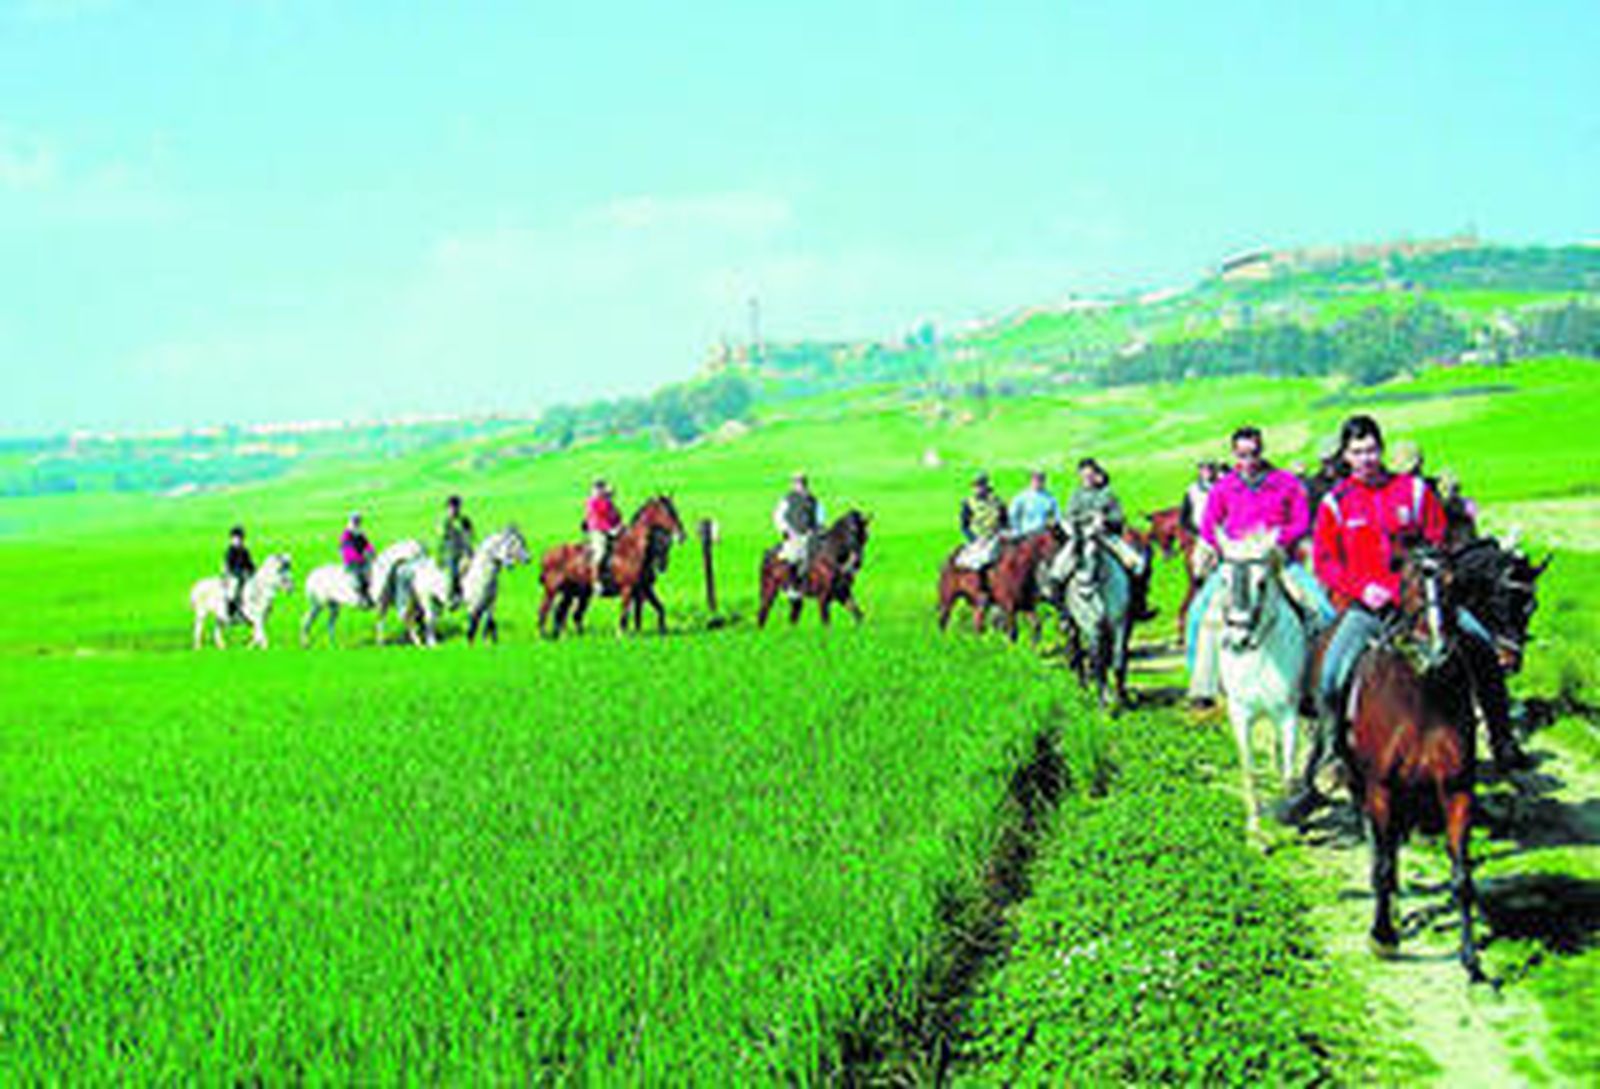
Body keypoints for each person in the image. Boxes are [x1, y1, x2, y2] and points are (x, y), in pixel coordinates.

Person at [1277, 415, 1528, 824]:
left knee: (1480, 643)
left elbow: (1439, 541)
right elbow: (1326, 561)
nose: (1366, 459)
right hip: (1367, 609)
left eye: (1372, 450)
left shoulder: (1412, 492)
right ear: (1345, 456)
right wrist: (1362, 589)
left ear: (1382, 449)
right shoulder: (1335, 503)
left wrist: (1426, 584)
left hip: (1424, 604)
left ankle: (1502, 739)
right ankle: (1327, 761)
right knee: (1329, 676)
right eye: (1356, 452)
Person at [1185, 427, 1333, 707]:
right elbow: (1208, 527)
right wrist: (1228, 547)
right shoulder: (1224, 487)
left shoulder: (1286, 483)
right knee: (1199, 613)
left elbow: (1301, 520)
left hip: (1276, 560)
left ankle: (1316, 683)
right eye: (1241, 455)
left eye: (1253, 453)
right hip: (1237, 561)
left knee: (1320, 609)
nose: (1248, 461)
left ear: (1262, 451)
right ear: (1233, 454)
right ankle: (1202, 684)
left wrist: (1277, 538)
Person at [1063, 458, 1156, 622]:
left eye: (1091, 475)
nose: (1088, 479)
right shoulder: (1076, 495)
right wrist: (1084, 520)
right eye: (1084, 475)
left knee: (1136, 564)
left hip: (1106, 536)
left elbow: (1119, 516)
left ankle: (1138, 604)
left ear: (1096, 474)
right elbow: (1070, 516)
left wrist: (1105, 520)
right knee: (1059, 570)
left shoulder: (1107, 494)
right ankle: (1066, 612)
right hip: (1081, 538)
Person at [772, 472, 826, 590]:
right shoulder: (787, 500)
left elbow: (820, 516)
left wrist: (818, 528)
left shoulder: (813, 500)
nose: (799, 486)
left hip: (811, 535)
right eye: (797, 483)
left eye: (802, 483)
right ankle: (792, 586)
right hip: (794, 535)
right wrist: (786, 530)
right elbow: (778, 516)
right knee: (793, 556)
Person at [955, 472, 1008, 570]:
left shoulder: (997, 501)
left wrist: (1002, 533)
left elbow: (1005, 521)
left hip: (996, 537)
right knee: (975, 563)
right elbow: (964, 526)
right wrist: (974, 539)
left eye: (981, 485)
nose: (978, 489)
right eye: (976, 486)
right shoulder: (968, 503)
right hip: (979, 540)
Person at [583, 479, 624, 593]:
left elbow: (615, 515)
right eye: (599, 489)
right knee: (600, 552)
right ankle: (596, 582)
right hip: (598, 531)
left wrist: (619, 525)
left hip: (612, 529)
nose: (601, 491)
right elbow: (598, 518)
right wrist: (610, 530)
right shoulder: (592, 502)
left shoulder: (607, 501)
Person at [438, 494, 475, 607]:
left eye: (457, 507)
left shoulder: (465, 520)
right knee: (454, 571)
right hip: (450, 552)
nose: (455, 509)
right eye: (452, 507)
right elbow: (442, 535)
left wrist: (469, 549)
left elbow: (471, 534)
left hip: (465, 551)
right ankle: (453, 596)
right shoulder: (445, 521)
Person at [1007, 469, 1060, 537]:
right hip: (1026, 534)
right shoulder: (1022, 497)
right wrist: (1017, 530)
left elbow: (1057, 517)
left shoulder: (1050, 498)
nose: (1038, 482)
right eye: (1036, 479)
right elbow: (1013, 514)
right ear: (1031, 480)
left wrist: (1052, 526)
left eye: (1041, 479)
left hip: (1043, 536)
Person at [341, 512, 376, 606]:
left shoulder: (359, 532)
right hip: (352, 561)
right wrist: (359, 557)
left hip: (362, 559)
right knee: (358, 578)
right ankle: (361, 598)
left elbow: (366, 544)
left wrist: (372, 551)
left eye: (359, 521)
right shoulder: (347, 534)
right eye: (356, 521)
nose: (358, 523)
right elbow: (347, 549)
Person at [222, 525, 255, 621]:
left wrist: (252, 571)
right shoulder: (230, 551)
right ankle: (230, 612)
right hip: (233, 576)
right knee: (233, 590)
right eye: (236, 538)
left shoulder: (245, 550)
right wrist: (239, 573)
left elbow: (249, 563)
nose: (238, 541)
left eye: (240, 538)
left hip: (244, 576)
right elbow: (229, 566)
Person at [1179, 460, 1219, 537]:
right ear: (1199, 470)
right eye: (1202, 468)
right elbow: (1183, 517)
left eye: (1210, 468)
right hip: (1202, 533)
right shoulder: (1192, 489)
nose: (1206, 471)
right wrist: (1194, 532)